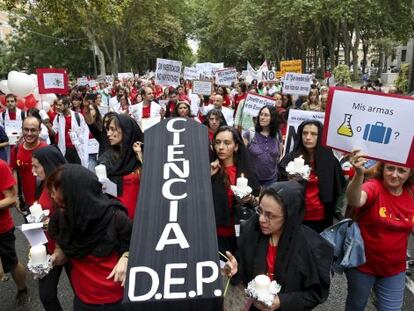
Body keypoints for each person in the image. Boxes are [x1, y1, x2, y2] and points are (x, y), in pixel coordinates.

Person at [223, 181, 334, 310]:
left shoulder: (309, 247)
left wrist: (282, 301)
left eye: (270, 215)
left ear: (289, 217)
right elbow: (242, 272)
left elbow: (315, 294)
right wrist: (236, 270)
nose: (261, 219)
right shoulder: (250, 231)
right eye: (260, 211)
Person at [47, 164, 132, 311]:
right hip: (84, 300)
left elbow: (137, 247)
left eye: (55, 191)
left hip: (119, 298)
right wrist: (52, 259)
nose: (52, 196)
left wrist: (126, 257)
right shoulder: (60, 218)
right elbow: (62, 253)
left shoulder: (115, 217)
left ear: (73, 193)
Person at [345, 150, 414, 311]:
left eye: (402, 171)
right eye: (390, 168)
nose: (395, 175)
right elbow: (355, 200)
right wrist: (359, 174)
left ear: (409, 174)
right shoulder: (374, 186)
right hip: (362, 266)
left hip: (394, 270)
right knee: (356, 306)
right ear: (382, 169)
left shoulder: (411, 193)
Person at [279, 120, 345, 232]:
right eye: (305, 133)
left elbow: (338, 187)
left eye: (313, 134)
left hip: (320, 217)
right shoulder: (290, 159)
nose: (308, 137)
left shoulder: (330, 160)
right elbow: (280, 185)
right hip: (296, 215)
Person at [210, 126, 260, 255]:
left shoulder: (245, 170)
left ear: (236, 146)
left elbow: (258, 201)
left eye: (227, 143)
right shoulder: (208, 168)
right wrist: (207, 175)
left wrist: (250, 199)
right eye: (217, 142)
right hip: (214, 234)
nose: (221, 147)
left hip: (241, 233)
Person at [32, 146, 68, 311]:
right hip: (48, 248)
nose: (33, 171)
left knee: (82, 292)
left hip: (69, 247)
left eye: (36, 166)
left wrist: (53, 222)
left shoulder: (66, 188)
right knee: (46, 295)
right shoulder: (44, 184)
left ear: (48, 165)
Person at [99, 114, 143, 220]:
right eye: (108, 130)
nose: (109, 134)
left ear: (126, 130)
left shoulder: (142, 153)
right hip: (119, 220)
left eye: (113, 129)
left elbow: (151, 184)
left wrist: (141, 158)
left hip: (143, 218)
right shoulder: (107, 159)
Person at [0, 158, 30, 310]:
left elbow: (11, 199)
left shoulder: (1, 166)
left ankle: (22, 289)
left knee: (11, 263)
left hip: (2, 228)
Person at [10, 115, 48, 214]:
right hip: (26, 202)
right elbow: (14, 172)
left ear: (39, 131)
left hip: (45, 202)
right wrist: (16, 196)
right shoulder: (16, 149)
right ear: (22, 129)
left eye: (33, 130)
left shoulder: (46, 150)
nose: (29, 133)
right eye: (26, 130)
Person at [243, 105, 282, 187]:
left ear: (273, 118)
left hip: (272, 179)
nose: (262, 117)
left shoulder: (278, 134)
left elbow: (280, 155)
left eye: (266, 115)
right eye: (261, 114)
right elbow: (241, 155)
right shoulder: (249, 134)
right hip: (252, 179)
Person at [51, 96, 90, 167]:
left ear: (66, 105)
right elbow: (53, 132)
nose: (57, 107)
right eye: (57, 105)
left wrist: (75, 133)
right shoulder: (58, 117)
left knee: (78, 171)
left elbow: (84, 133)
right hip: (64, 149)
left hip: (76, 149)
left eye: (60, 105)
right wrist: (47, 124)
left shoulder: (78, 116)